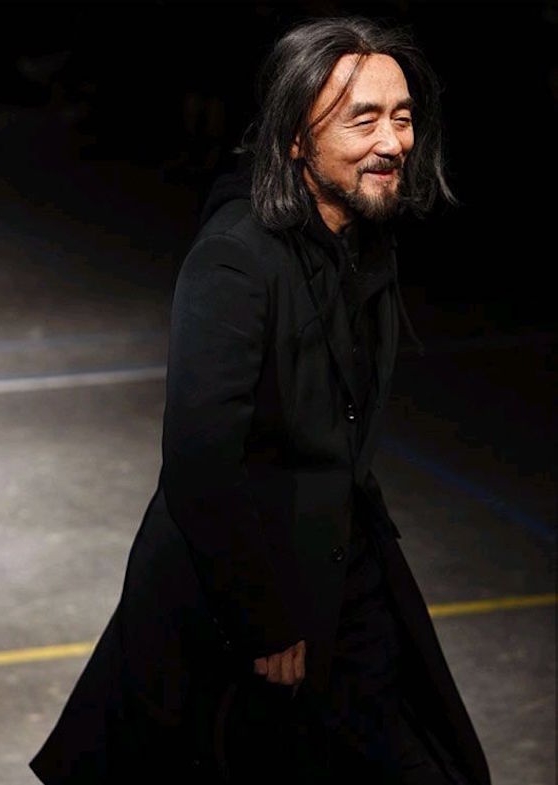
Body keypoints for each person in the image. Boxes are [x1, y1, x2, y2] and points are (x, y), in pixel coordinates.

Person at [30, 16, 492, 785]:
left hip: (344, 572)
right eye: (364, 120)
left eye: (403, 116)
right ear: (296, 140)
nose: (393, 141)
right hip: (242, 599)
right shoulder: (235, 259)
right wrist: (267, 618)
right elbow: (201, 466)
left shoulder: (363, 236)